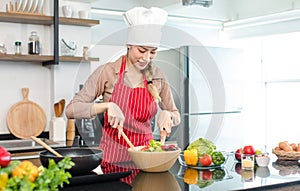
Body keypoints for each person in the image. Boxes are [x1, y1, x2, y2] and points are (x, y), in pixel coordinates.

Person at [65, 7, 180, 168]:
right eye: (141, 50)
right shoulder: (108, 72)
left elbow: (176, 114)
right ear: (129, 45)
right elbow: (71, 110)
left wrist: (168, 114)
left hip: (147, 161)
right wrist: (107, 105)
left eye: (153, 52)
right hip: (114, 162)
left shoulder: (158, 75)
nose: (146, 58)